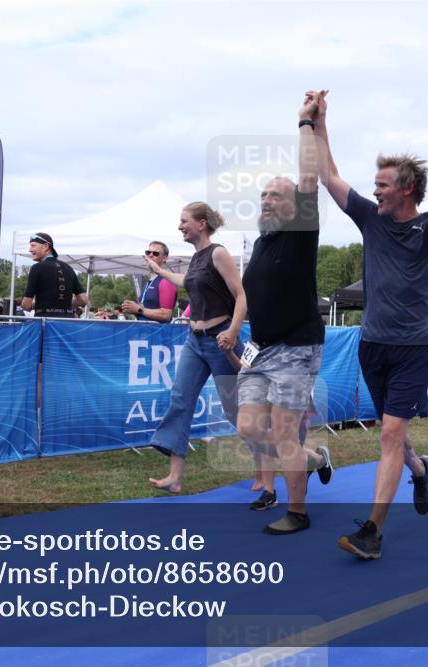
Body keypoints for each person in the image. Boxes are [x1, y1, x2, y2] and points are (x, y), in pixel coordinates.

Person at [313, 93, 428, 560]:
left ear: (406, 189)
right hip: (372, 345)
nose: (376, 191)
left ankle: (373, 532)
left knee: (387, 434)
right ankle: (421, 470)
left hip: (414, 349)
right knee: (392, 430)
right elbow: (328, 177)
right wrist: (320, 123)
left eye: (382, 185)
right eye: (375, 185)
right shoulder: (370, 219)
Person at [236, 91, 334, 535]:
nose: (267, 200)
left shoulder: (300, 232)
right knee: (248, 428)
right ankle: (314, 459)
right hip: (261, 350)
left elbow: (309, 177)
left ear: (295, 204)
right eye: (263, 194)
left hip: (296, 348)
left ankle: (298, 512)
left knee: (283, 433)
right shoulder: (261, 242)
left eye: (276, 195)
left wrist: (305, 123)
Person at [147, 202, 246, 494]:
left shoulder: (218, 253)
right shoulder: (196, 258)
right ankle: (175, 478)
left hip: (221, 341)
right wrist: (160, 271)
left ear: (201, 224)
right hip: (195, 341)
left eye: (184, 221)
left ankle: (297, 456)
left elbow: (242, 296)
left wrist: (232, 332)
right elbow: (186, 281)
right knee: (181, 399)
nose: (179, 226)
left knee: (238, 413)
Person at [20, 232, 88, 318]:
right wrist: (65, 305)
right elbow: (84, 299)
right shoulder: (68, 267)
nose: (30, 250)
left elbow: (26, 305)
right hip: (67, 321)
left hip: (45, 321)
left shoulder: (37, 268)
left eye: (33, 246)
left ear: (46, 246)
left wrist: (35, 305)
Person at [122, 241, 178, 322]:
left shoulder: (166, 280)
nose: (150, 255)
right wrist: (132, 308)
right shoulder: (149, 281)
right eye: (148, 252)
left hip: (157, 330)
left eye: (155, 253)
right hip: (144, 328)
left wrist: (139, 310)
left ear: (164, 258)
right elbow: (145, 310)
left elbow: (166, 315)